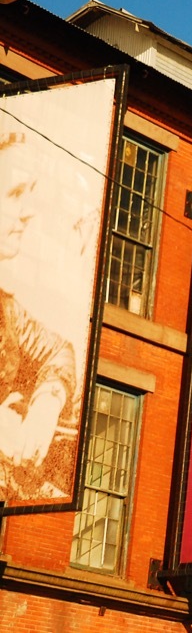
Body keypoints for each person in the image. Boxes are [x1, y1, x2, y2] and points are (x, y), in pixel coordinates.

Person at [0, 130, 77, 500]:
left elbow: (59, 350)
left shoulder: (7, 310)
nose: (28, 211)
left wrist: (47, 400)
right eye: (15, 194)